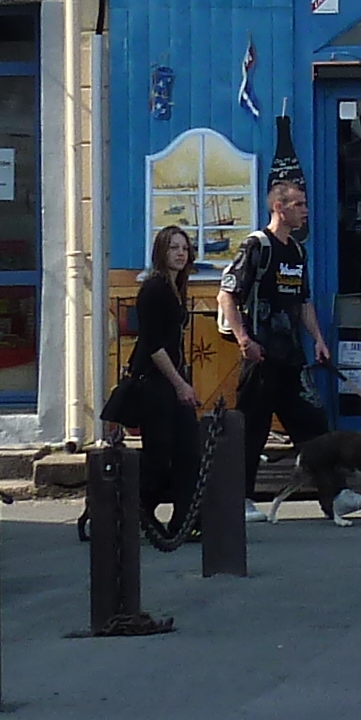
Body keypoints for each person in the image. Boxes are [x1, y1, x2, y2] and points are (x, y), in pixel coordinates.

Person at [220, 168, 333, 493]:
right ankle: (239, 498)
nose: (305, 210)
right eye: (298, 204)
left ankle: (335, 494)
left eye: (305, 204)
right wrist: (245, 340)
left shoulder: (297, 252)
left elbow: (303, 301)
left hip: (292, 356)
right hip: (261, 357)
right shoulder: (257, 246)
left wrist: (319, 341)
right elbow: (226, 294)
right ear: (279, 208)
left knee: (314, 424)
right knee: (251, 431)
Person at [118, 223, 212, 547]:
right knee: (159, 459)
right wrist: (179, 384)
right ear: (161, 251)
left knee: (189, 451)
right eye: (174, 247)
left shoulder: (176, 287)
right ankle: (128, 511)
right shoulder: (154, 289)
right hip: (155, 383)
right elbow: (154, 344)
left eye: (184, 248)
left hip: (174, 380)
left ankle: (186, 520)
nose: (180, 253)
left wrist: (182, 382)